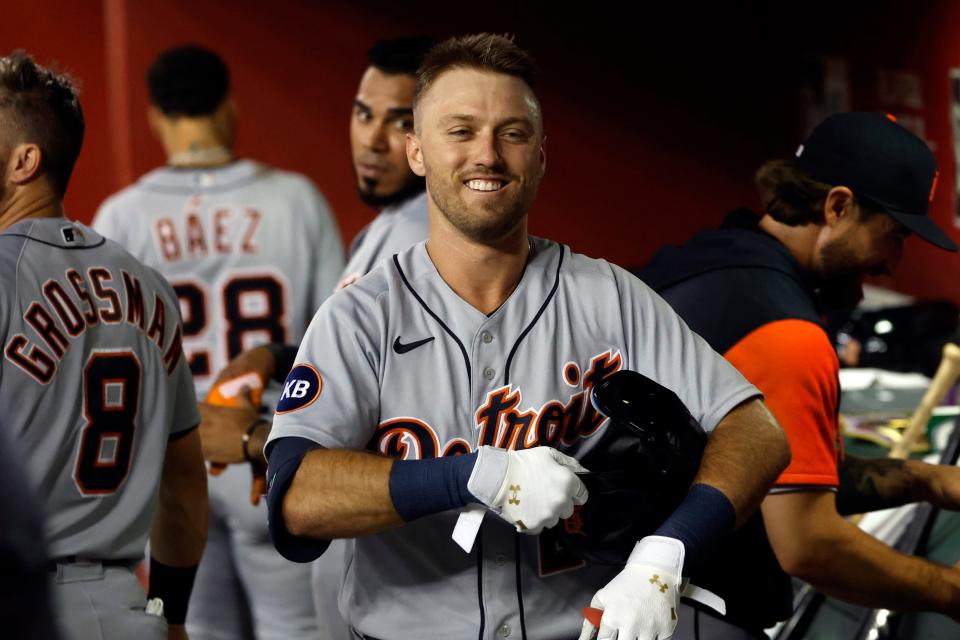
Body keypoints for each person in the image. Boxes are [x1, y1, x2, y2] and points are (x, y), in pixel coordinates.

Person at [263, 33, 790, 640]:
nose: (487, 155)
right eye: (460, 131)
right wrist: (475, 476)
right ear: (417, 151)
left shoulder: (609, 296)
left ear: (540, 154)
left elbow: (756, 430)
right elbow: (297, 496)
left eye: (511, 133)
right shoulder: (361, 317)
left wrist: (666, 557)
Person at [638, 111, 960, 638]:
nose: (895, 262)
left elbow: (779, 473)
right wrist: (950, 591)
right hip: (686, 610)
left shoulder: (708, 261)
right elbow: (809, 544)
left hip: (624, 582)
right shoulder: (786, 332)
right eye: (895, 234)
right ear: (838, 205)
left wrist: (929, 481)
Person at [92, 45, 344, 640]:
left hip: (172, 463)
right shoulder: (296, 200)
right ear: (228, 107)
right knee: (297, 631)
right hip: (268, 451)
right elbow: (334, 343)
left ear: (155, 116)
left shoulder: (121, 217)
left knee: (196, 630)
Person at [197, 36, 432, 639]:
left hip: (407, 591)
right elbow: (356, 367)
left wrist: (253, 441)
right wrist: (276, 356)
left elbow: (411, 443)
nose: (371, 141)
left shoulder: (428, 247)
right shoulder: (388, 226)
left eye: (398, 121)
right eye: (363, 114)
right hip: (361, 586)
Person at [0, 50, 207, 640]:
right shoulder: (147, 284)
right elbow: (186, 479)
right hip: (124, 605)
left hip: (20, 603)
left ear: (24, 162)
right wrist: (172, 612)